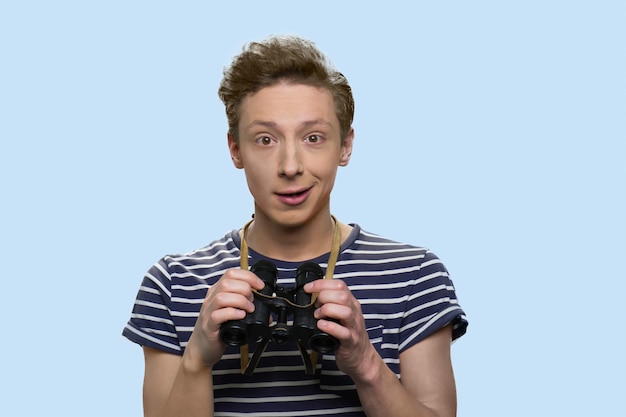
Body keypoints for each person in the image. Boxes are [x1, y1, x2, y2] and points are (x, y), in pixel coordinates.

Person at [123, 34, 468, 417]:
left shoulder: (414, 276)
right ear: (235, 149)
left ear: (345, 146)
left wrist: (366, 364)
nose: (290, 166)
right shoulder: (172, 283)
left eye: (313, 138)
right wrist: (197, 358)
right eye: (266, 139)